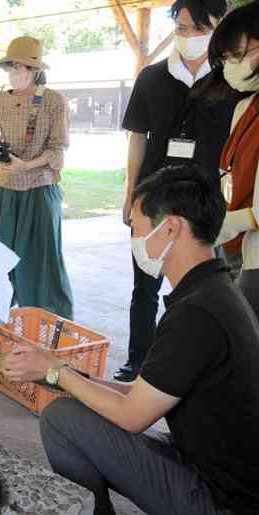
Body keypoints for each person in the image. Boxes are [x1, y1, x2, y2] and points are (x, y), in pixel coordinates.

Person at [5, 163, 259, 515]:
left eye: (137, 229)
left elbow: (133, 415)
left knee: (61, 418)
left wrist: (55, 373)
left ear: (170, 228)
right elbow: (143, 390)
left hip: (220, 500)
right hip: (214, 468)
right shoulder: (213, 292)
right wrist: (65, 373)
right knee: (70, 408)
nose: (135, 241)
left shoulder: (197, 314)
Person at [115, 0, 236, 382]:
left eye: (199, 29)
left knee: (204, 288)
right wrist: (131, 190)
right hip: (154, 199)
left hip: (208, 203)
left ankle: (202, 368)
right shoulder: (151, 77)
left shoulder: (234, 79)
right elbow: (137, 137)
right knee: (145, 284)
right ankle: (138, 359)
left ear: (221, 29)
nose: (189, 37)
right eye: (181, 28)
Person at [0, 35, 73, 320]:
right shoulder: (2, 100)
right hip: (5, 188)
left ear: (34, 70)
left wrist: (27, 166)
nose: (14, 73)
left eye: (20, 68)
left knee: (43, 258)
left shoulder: (54, 101)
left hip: (40, 189)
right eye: (10, 68)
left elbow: (58, 148)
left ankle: (49, 319)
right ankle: (1, 314)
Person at [207, 2, 259, 318]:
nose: (231, 66)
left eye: (237, 54)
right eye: (225, 59)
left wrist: (236, 222)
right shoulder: (245, 107)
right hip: (240, 247)